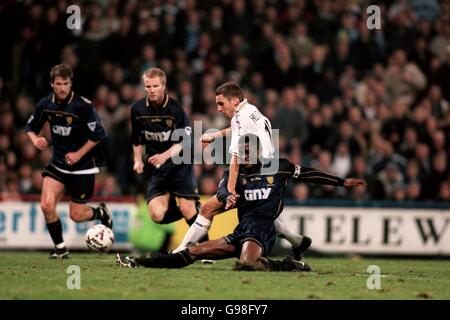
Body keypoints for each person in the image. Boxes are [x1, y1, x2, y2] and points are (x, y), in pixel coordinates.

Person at [116, 134, 366, 271]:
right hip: (240, 231)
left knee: (246, 263)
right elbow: (223, 191)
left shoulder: (279, 166)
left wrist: (342, 182)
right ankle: (140, 262)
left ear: (260, 152)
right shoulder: (234, 172)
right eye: (241, 152)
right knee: (192, 252)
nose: (245, 155)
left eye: (249, 151)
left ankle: (288, 265)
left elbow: (310, 173)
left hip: (263, 231)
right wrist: (228, 196)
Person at [173, 82, 310, 260]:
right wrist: (215, 135)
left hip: (253, 174)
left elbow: (235, 161)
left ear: (235, 101)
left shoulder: (239, 117)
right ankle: (297, 241)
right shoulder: (250, 110)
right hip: (267, 174)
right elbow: (236, 129)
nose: (219, 108)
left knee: (207, 208)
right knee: (257, 215)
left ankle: (181, 251)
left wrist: (230, 192)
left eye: (221, 104)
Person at [25, 63, 112, 259]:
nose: (62, 88)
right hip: (58, 164)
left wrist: (78, 155)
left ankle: (100, 212)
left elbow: (99, 134)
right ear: (52, 84)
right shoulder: (46, 104)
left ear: (71, 83)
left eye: (65, 83)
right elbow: (30, 126)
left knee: (76, 215)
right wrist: (35, 139)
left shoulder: (83, 106)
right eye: (58, 83)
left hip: (82, 168)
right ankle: (61, 249)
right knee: (47, 205)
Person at [130, 68, 203, 231]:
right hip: (157, 169)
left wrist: (164, 156)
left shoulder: (176, 109)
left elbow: (185, 140)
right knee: (157, 215)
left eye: (155, 86)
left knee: (187, 209)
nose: (151, 90)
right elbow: (136, 139)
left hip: (180, 164)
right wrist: (137, 160)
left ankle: (206, 249)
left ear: (163, 85)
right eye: (148, 86)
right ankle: (197, 212)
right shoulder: (137, 110)